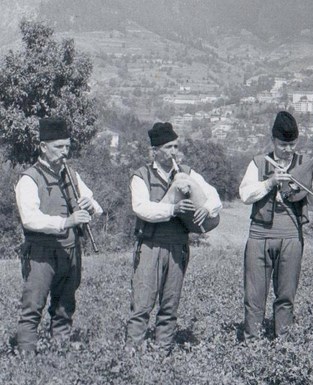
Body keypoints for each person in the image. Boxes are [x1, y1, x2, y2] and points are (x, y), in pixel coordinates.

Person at [124, 122, 222, 353]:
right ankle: (132, 354)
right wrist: (172, 209)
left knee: (170, 303)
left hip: (178, 246)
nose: (173, 152)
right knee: (142, 303)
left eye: (176, 146)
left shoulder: (187, 172)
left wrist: (206, 208)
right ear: (154, 151)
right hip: (151, 245)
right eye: (168, 147)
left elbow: (214, 196)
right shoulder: (141, 176)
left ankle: (163, 352)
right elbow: (141, 208)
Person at [13, 117, 103, 354]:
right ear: (43, 147)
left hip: (70, 251)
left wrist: (90, 205)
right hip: (41, 253)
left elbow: (96, 207)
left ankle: (59, 354)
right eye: (59, 146)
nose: (65, 152)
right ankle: (26, 359)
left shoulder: (71, 174)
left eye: (67, 146)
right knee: (32, 306)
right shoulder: (29, 178)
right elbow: (30, 219)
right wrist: (66, 222)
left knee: (65, 306)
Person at [238, 111, 313, 339]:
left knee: (286, 295)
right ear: (273, 140)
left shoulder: (304, 163)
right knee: (254, 295)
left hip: (291, 235)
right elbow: (245, 194)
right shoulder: (258, 162)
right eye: (282, 145)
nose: (288, 149)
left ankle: (283, 344)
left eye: (292, 144)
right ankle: (252, 344)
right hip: (259, 235)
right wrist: (270, 182)